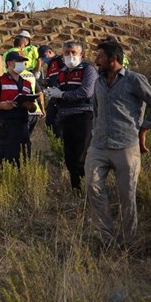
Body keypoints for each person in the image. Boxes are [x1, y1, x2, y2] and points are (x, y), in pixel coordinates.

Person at [83, 39, 151, 248]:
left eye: (100, 56)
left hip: (126, 146)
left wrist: (144, 129)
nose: (96, 59)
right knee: (93, 187)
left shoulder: (134, 80)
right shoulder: (98, 81)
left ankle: (130, 244)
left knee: (127, 196)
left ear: (113, 58)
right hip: (99, 146)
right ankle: (106, 240)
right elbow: (96, 110)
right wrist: (94, 133)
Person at [42, 41, 97, 191]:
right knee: (69, 156)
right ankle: (76, 190)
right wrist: (53, 92)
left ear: (82, 55)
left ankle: (88, 190)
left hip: (83, 116)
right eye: (66, 53)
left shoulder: (88, 70)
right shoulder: (63, 71)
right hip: (65, 117)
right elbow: (60, 87)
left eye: (73, 52)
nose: (70, 56)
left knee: (81, 155)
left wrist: (62, 94)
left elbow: (86, 92)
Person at [0, 51, 37, 165]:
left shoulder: (27, 84)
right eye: (18, 61)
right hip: (5, 125)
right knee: (6, 159)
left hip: (22, 125)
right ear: (9, 63)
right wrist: (2, 105)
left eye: (23, 62)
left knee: (24, 157)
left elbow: (33, 107)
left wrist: (30, 106)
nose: (21, 64)